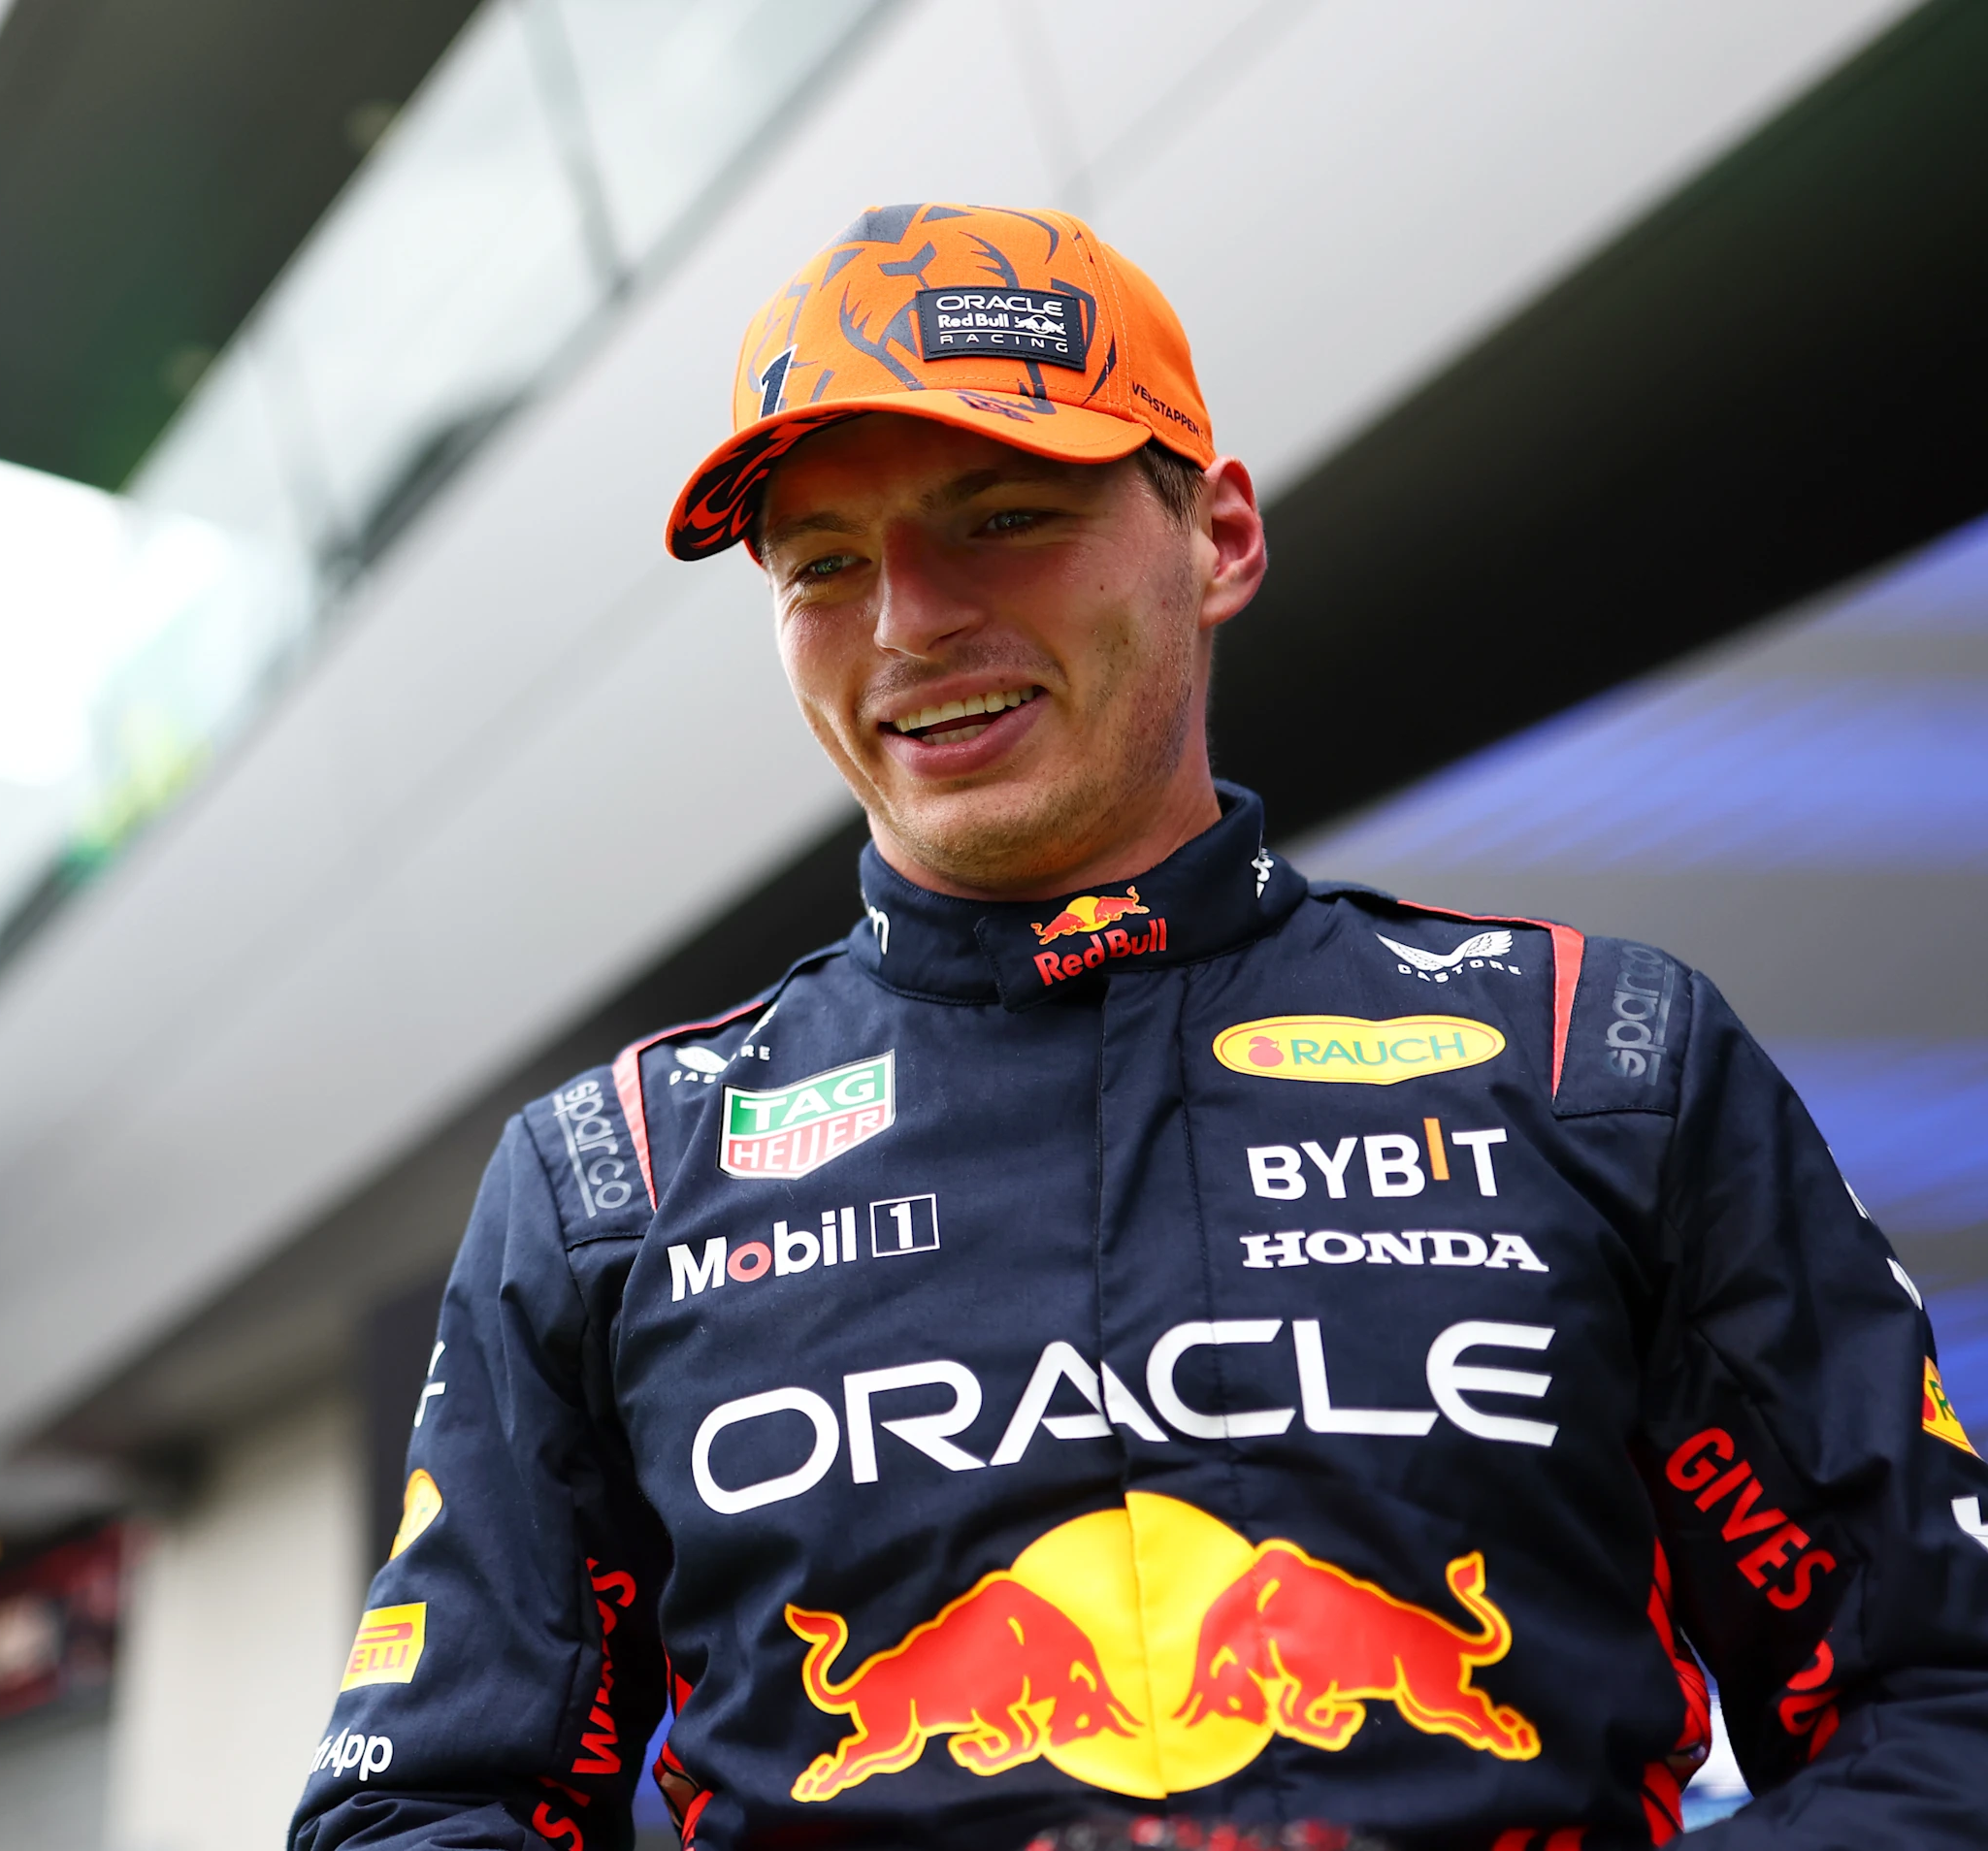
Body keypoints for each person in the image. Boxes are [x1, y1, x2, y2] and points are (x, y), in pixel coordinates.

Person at [286, 204, 1988, 1851]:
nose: (907, 620)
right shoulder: (619, 1177)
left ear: (1219, 537)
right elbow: (423, 1805)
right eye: (824, 564)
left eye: (1002, 516)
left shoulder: (1595, 1059)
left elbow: (1943, 1705)